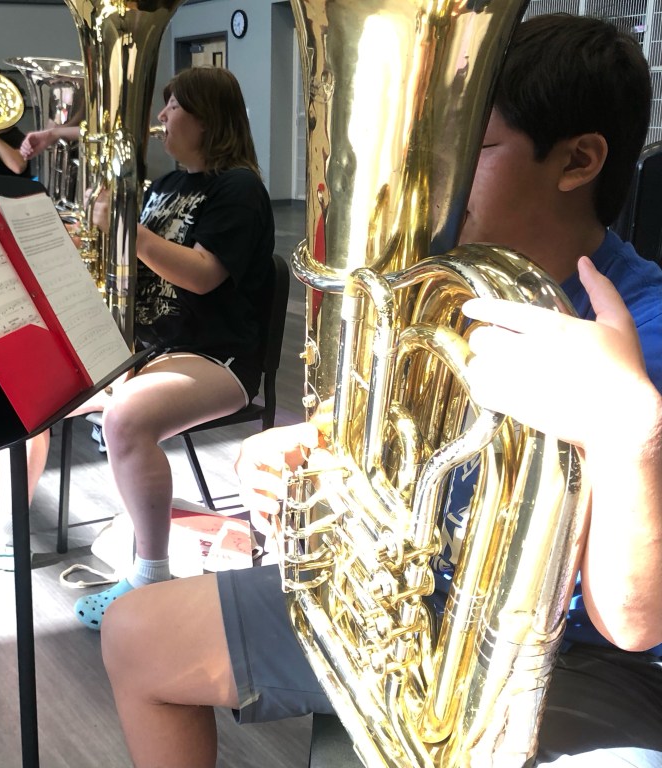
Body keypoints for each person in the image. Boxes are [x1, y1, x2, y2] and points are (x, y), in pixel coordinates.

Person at [100, 14, 662, 767]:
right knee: (133, 634)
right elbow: (392, 436)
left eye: (473, 148)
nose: (433, 179)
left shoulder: (646, 334)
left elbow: (634, 623)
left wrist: (632, 437)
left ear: (578, 160)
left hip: (576, 660)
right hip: (416, 597)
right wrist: (305, 451)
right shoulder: (441, 287)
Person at [0, 67, 276, 632]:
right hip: (146, 349)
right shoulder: (168, 185)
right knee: (21, 391)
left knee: (126, 419)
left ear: (207, 119)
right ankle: (6, 532)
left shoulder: (237, 188)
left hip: (216, 356)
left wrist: (126, 230)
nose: (162, 118)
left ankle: (150, 576)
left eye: (173, 108)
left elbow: (203, 274)